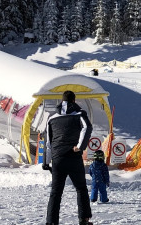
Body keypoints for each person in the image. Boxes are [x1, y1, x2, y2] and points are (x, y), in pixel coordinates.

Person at [43, 91, 94, 225]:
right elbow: (87, 127)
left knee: (55, 192)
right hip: (73, 157)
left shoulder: (52, 118)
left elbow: (48, 142)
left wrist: (46, 162)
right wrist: (80, 146)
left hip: (58, 158)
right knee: (81, 189)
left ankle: (51, 222)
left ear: (62, 101)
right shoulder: (79, 114)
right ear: (74, 100)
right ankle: (84, 220)